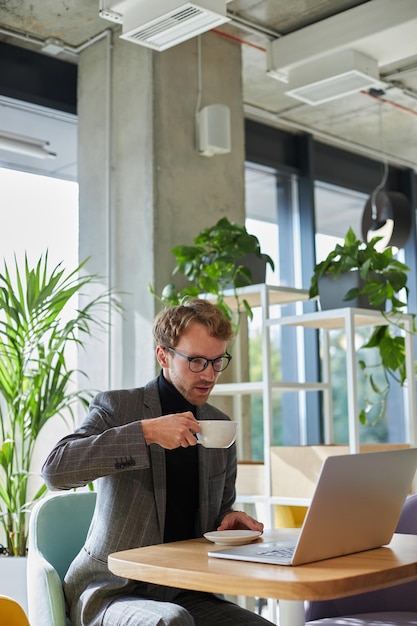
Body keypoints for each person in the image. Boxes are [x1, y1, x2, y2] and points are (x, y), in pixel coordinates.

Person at [42, 298, 273, 626]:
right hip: (110, 591)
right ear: (163, 355)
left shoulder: (218, 425)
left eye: (216, 361)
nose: (209, 374)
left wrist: (230, 519)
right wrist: (145, 433)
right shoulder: (119, 407)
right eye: (195, 361)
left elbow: (219, 511)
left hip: (186, 591)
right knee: (171, 622)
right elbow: (55, 470)